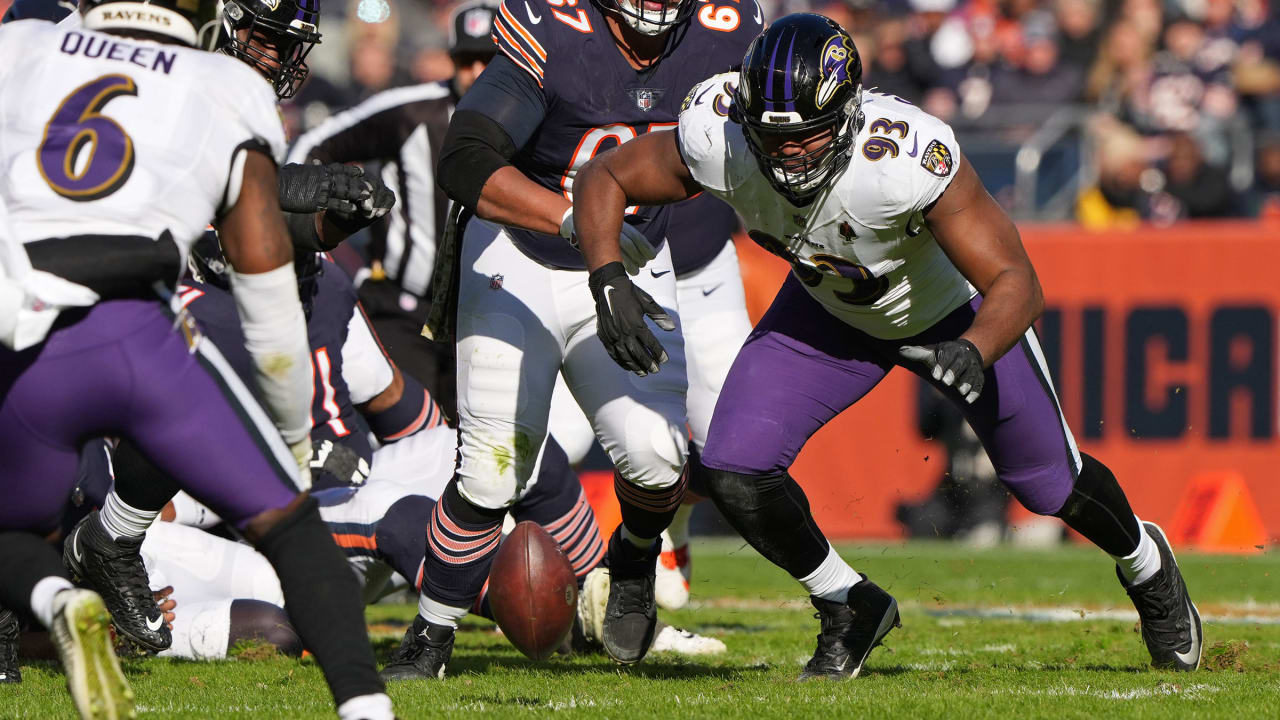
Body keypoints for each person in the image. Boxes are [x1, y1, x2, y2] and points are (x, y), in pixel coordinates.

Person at [570, 13, 1203, 679]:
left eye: (805, 138)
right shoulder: (717, 132)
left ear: (846, 117)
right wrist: (607, 277)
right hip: (828, 311)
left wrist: (975, 348)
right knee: (734, 465)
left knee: (1048, 483)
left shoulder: (903, 159)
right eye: (772, 139)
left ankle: (1147, 564)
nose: (786, 157)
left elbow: (1016, 281)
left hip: (950, 313)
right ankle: (848, 603)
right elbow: (603, 178)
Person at [0, 1, 395, 718]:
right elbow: (266, 286)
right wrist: (290, 436)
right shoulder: (221, 83)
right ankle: (368, 708)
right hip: (139, 335)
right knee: (294, 531)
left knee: (8, 526)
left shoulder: (26, 44)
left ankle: (54, 599)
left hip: (28, 326)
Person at [382, 0, 763, 678]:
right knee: (493, 467)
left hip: (636, 251)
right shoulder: (556, 29)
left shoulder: (723, 31)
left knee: (657, 457)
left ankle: (635, 565)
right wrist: (577, 228)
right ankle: (433, 630)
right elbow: (465, 157)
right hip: (519, 251)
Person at [287, 0, 505, 415]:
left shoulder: (535, 116)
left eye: (488, 60)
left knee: (485, 445)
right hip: (404, 310)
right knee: (411, 432)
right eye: (465, 60)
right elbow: (312, 147)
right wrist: (310, 216)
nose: (476, 73)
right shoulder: (410, 112)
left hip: (490, 312)